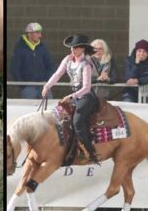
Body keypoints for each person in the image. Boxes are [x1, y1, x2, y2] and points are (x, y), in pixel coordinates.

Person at [42, 34, 100, 164]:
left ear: (83, 49)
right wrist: (47, 86)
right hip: (75, 96)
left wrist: (70, 97)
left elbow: (86, 87)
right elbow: (57, 74)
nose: (73, 50)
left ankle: (90, 152)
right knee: (60, 119)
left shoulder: (86, 64)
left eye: (76, 47)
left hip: (86, 97)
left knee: (78, 121)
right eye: (72, 47)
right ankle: (67, 149)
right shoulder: (68, 59)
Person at [10, 22, 54, 99]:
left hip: (43, 85)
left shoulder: (42, 48)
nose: (40, 35)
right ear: (29, 34)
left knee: (49, 107)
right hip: (28, 88)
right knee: (29, 109)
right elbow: (14, 68)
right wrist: (22, 85)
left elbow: (50, 66)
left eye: (40, 33)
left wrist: (46, 80)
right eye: (37, 33)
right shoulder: (19, 48)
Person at [122, 39, 148, 103]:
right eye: (139, 51)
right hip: (131, 92)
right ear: (136, 52)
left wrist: (138, 80)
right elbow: (128, 78)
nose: (141, 53)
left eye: (144, 51)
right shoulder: (129, 60)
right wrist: (136, 64)